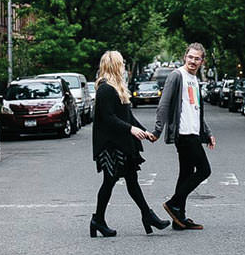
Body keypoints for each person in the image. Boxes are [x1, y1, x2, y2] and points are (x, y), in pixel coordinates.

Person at [89, 50, 169, 237]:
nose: (124, 66)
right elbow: (108, 118)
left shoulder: (118, 88)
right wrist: (130, 129)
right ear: (114, 65)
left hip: (122, 143)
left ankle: (147, 215)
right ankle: (98, 220)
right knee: (109, 181)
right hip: (110, 145)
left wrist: (144, 132)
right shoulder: (105, 88)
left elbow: (127, 116)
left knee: (131, 180)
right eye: (122, 63)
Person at [152, 41, 216, 229]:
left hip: (194, 132)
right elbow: (164, 104)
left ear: (202, 62)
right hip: (184, 133)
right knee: (204, 170)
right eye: (190, 57)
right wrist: (157, 130)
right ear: (184, 57)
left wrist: (207, 132)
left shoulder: (194, 80)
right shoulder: (176, 76)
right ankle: (173, 203)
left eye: (197, 59)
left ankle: (179, 218)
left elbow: (196, 110)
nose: (193, 61)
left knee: (186, 173)